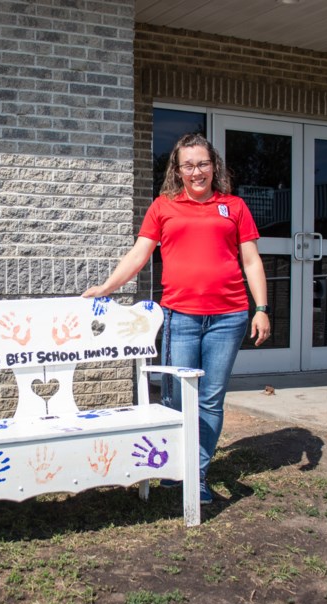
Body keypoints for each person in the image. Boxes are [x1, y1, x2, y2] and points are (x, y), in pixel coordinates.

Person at [83, 132, 270, 504]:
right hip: (179, 317)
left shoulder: (233, 207)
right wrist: (106, 287)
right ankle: (173, 466)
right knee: (174, 398)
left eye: (203, 163)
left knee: (210, 400)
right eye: (189, 165)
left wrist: (261, 308)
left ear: (213, 166)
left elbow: (250, 260)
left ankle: (196, 474)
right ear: (178, 170)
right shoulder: (163, 206)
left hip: (229, 316)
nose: (196, 171)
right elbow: (139, 255)